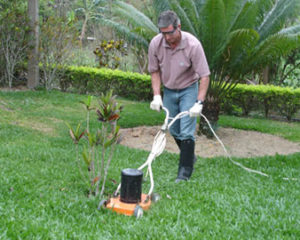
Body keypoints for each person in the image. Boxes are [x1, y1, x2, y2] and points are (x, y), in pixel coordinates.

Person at [148, 10, 210, 182]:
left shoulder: (193, 45)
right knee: (173, 128)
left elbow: (204, 75)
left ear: (178, 27)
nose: (166, 37)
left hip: (188, 88)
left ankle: (184, 172)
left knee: (186, 130)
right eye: (163, 33)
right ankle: (189, 155)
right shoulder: (155, 44)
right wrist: (156, 96)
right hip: (169, 89)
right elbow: (154, 71)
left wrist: (199, 102)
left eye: (170, 32)